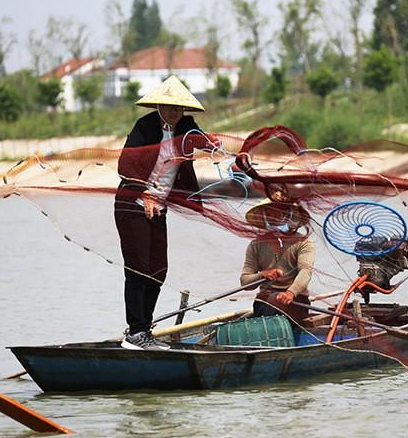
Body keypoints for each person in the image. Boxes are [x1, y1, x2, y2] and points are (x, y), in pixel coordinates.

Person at [115, 75, 216, 350]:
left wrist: (226, 150)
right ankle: (136, 332)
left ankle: (143, 332)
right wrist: (144, 193)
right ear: (159, 105)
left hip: (158, 207)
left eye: (178, 108)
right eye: (169, 107)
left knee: (159, 270)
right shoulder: (144, 126)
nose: (174, 112)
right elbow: (127, 164)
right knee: (139, 268)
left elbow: (207, 142)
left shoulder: (185, 126)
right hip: (133, 204)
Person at [239, 199, 316, 323]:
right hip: (265, 301)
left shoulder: (304, 242)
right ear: (264, 217)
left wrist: (290, 293)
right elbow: (245, 282)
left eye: (280, 214)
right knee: (269, 301)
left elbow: (305, 272)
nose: (275, 218)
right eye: (269, 214)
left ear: (291, 216)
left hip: (296, 302)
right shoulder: (256, 244)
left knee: (274, 302)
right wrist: (262, 275)